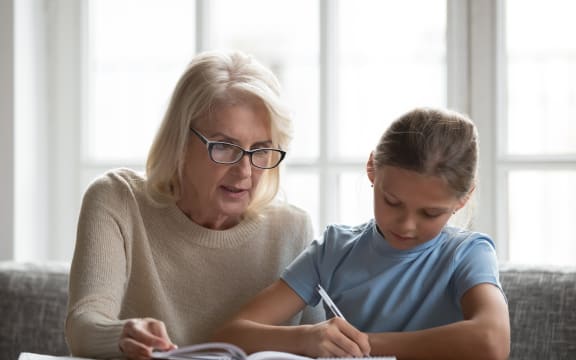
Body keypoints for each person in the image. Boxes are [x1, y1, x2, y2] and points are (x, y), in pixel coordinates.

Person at [65, 50, 323, 360]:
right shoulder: (118, 200)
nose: (244, 172)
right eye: (225, 147)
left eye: (261, 149)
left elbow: (319, 349)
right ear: (180, 142)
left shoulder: (292, 229)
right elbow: (83, 327)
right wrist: (123, 335)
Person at [211, 107, 511, 360]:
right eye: (392, 202)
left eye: (430, 213)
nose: (406, 225)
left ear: (463, 199)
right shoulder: (334, 249)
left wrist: (365, 344)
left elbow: (492, 340)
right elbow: (230, 335)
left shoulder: (468, 253)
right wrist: (308, 339)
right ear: (372, 169)